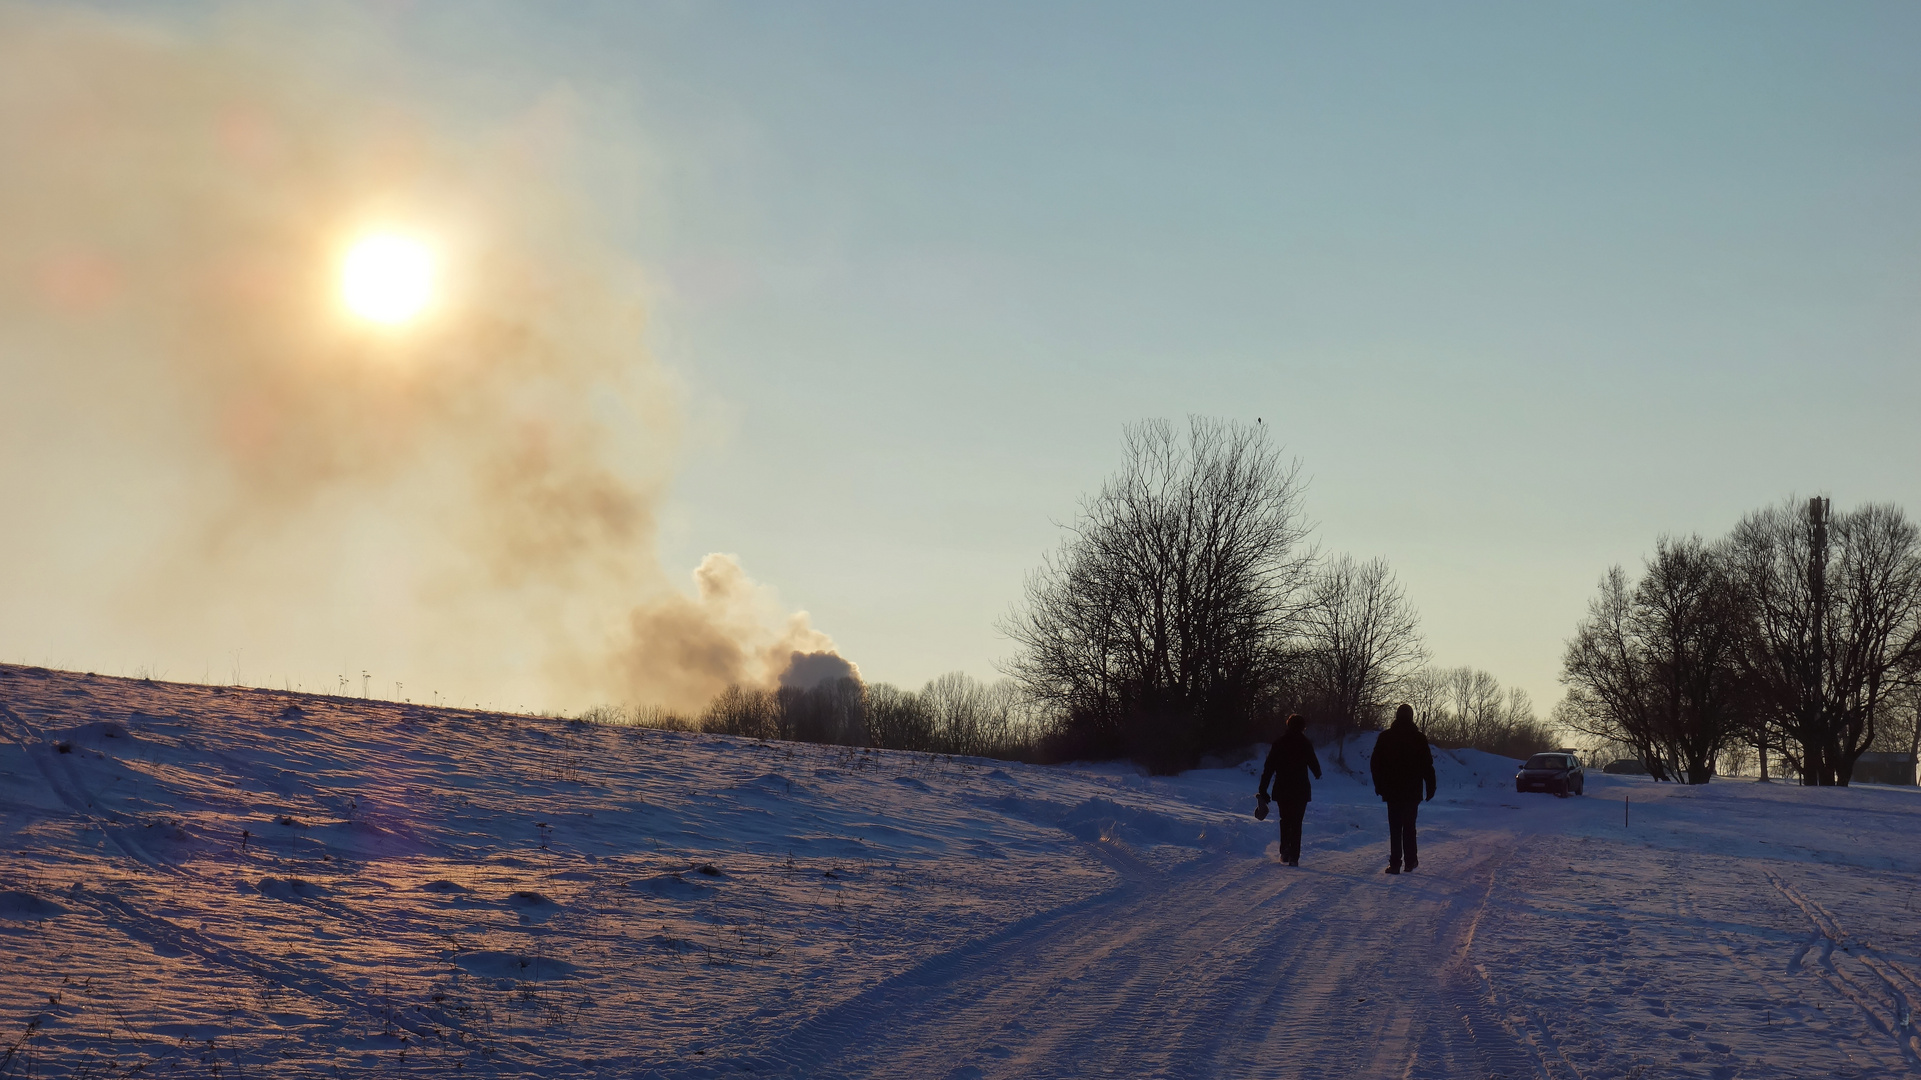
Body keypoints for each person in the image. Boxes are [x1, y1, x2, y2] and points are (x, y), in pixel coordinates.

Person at [1368, 703, 1436, 875]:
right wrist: (1430, 786)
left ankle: (1396, 863)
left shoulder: (1386, 737)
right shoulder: (1419, 738)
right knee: (1409, 826)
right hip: (1412, 790)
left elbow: (1375, 763)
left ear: (1397, 716)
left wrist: (1379, 784)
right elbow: (1427, 765)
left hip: (1392, 790)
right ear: (1411, 717)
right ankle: (1410, 861)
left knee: (1395, 827)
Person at [1257, 714, 1322, 866]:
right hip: (1300, 789)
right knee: (1297, 822)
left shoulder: (1279, 743)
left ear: (1288, 725)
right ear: (1303, 727)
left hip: (1282, 788)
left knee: (1285, 820)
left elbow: (1269, 767)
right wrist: (1317, 773)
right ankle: (1294, 857)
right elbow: (1314, 765)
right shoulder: (1305, 743)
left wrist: (1263, 788)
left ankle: (1284, 851)